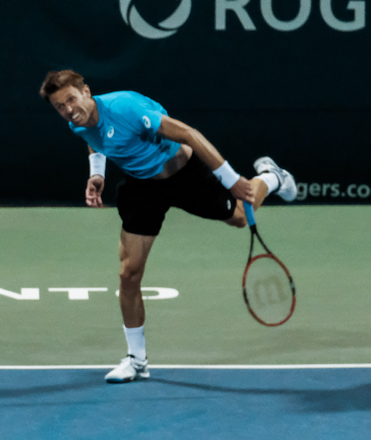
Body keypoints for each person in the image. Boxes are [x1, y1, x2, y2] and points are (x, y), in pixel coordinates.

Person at [40, 70, 297, 383]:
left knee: (240, 217)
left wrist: (231, 180)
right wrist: (97, 174)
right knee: (128, 274)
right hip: (143, 188)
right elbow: (94, 140)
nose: (68, 109)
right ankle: (137, 360)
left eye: (71, 99)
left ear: (86, 92)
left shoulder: (125, 108)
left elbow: (188, 134)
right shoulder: (77, 123)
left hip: (186, 176)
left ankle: (272, 177)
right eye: (60, 106)